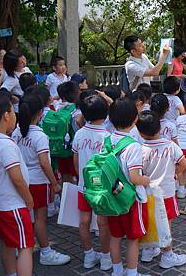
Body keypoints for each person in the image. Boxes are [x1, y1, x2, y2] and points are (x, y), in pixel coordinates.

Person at [13, 94, 70, 266]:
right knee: (40, 218)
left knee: (25, 215)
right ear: (40, 114)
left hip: (22, 180)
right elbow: (45, 163)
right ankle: (45, 251)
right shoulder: (40, 136)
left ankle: (21, 246)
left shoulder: (16, 132)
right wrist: (55, 183)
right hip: (38, 181)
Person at [0, 92, 34, 276]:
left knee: (7, 242)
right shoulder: (6, 145)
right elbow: (16, 178)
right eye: (13, 112)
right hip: (14, 204)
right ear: (6, 115)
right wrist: (28, 199)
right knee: (26, 246)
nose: (15, 116)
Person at [138, 111, 186, 269]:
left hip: (147, 194)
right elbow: (185, 165)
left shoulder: (140, 149)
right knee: (165, 225)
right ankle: (167, 255)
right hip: (166, 193)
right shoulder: (171, 146)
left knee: (149, 222)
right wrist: (173, 174)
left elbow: (139, 172)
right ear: (160, 128)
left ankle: (148, 250)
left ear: (140, 132)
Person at [107, 97, 150, 276]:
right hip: (131, 199)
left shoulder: (107, 140)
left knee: (115, 236)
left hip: (112, 197)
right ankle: (132, 273)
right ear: (134, 120)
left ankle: (117, 271)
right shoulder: (133, 146)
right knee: (133, 238)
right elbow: (134, 177)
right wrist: (145, 180)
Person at [71, 93, 113, 271]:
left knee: (84, 221)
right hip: (102, 189)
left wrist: (80, 176)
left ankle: (88, 255)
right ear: (105, 113)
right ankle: (105, 258)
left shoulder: (79, 134)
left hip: (84, 186)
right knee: (103, 223)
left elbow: (75, 160)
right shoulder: (107, 136)